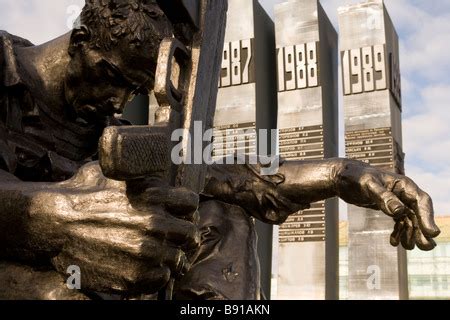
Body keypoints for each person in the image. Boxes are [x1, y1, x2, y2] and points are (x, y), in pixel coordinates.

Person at [0, 0, 440, 300]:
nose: (117, 101)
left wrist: (343, 174)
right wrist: (60, 219)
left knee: (215, 213)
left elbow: (232, 177)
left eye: (131, 89)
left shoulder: (104, 126)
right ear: (79, 41)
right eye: (111, 76)